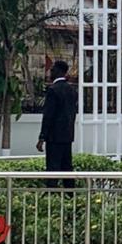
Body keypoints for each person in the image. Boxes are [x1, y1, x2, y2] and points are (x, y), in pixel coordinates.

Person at [37, 61, 78, 189]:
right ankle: (71, 195)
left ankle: (51, 196)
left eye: (53, 70)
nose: (50, 72)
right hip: (67, 135)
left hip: (54, 136)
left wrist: (42, 137)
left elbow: (48, 116)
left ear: (59, 72)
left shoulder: (53, 90)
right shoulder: (72, 90)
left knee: (53, 167)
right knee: (67, 167)